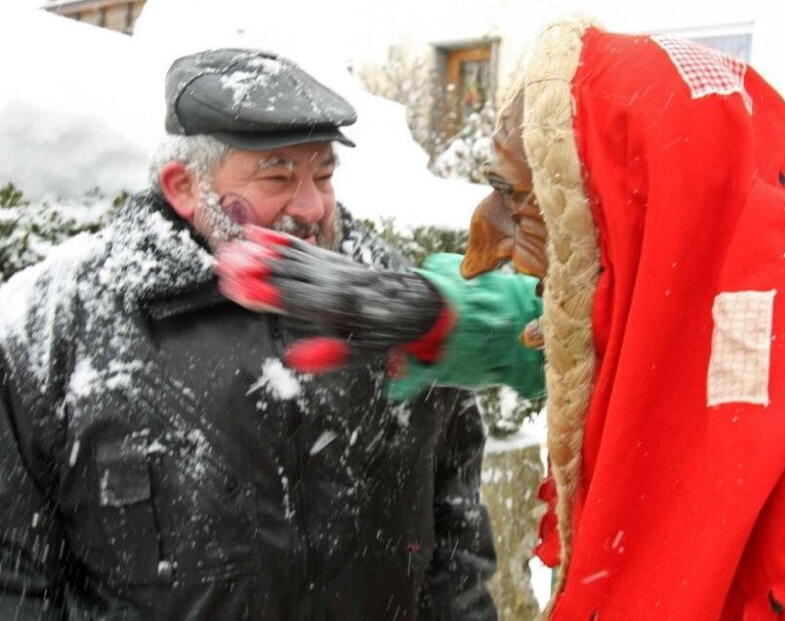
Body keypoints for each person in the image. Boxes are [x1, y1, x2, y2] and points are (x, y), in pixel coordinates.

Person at [218, 21, 785, 620]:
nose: (485, 240)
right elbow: (606, 329)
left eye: (520, 195)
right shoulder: (741, 298)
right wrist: (429, 312)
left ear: (632, 220)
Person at [0, 48, 497, 620]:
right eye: (278, 175)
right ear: (184, 187)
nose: (312, 206)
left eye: (324, 173)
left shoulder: (394, 307)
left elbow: (456, 541)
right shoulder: (53, 327)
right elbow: (15, 573)